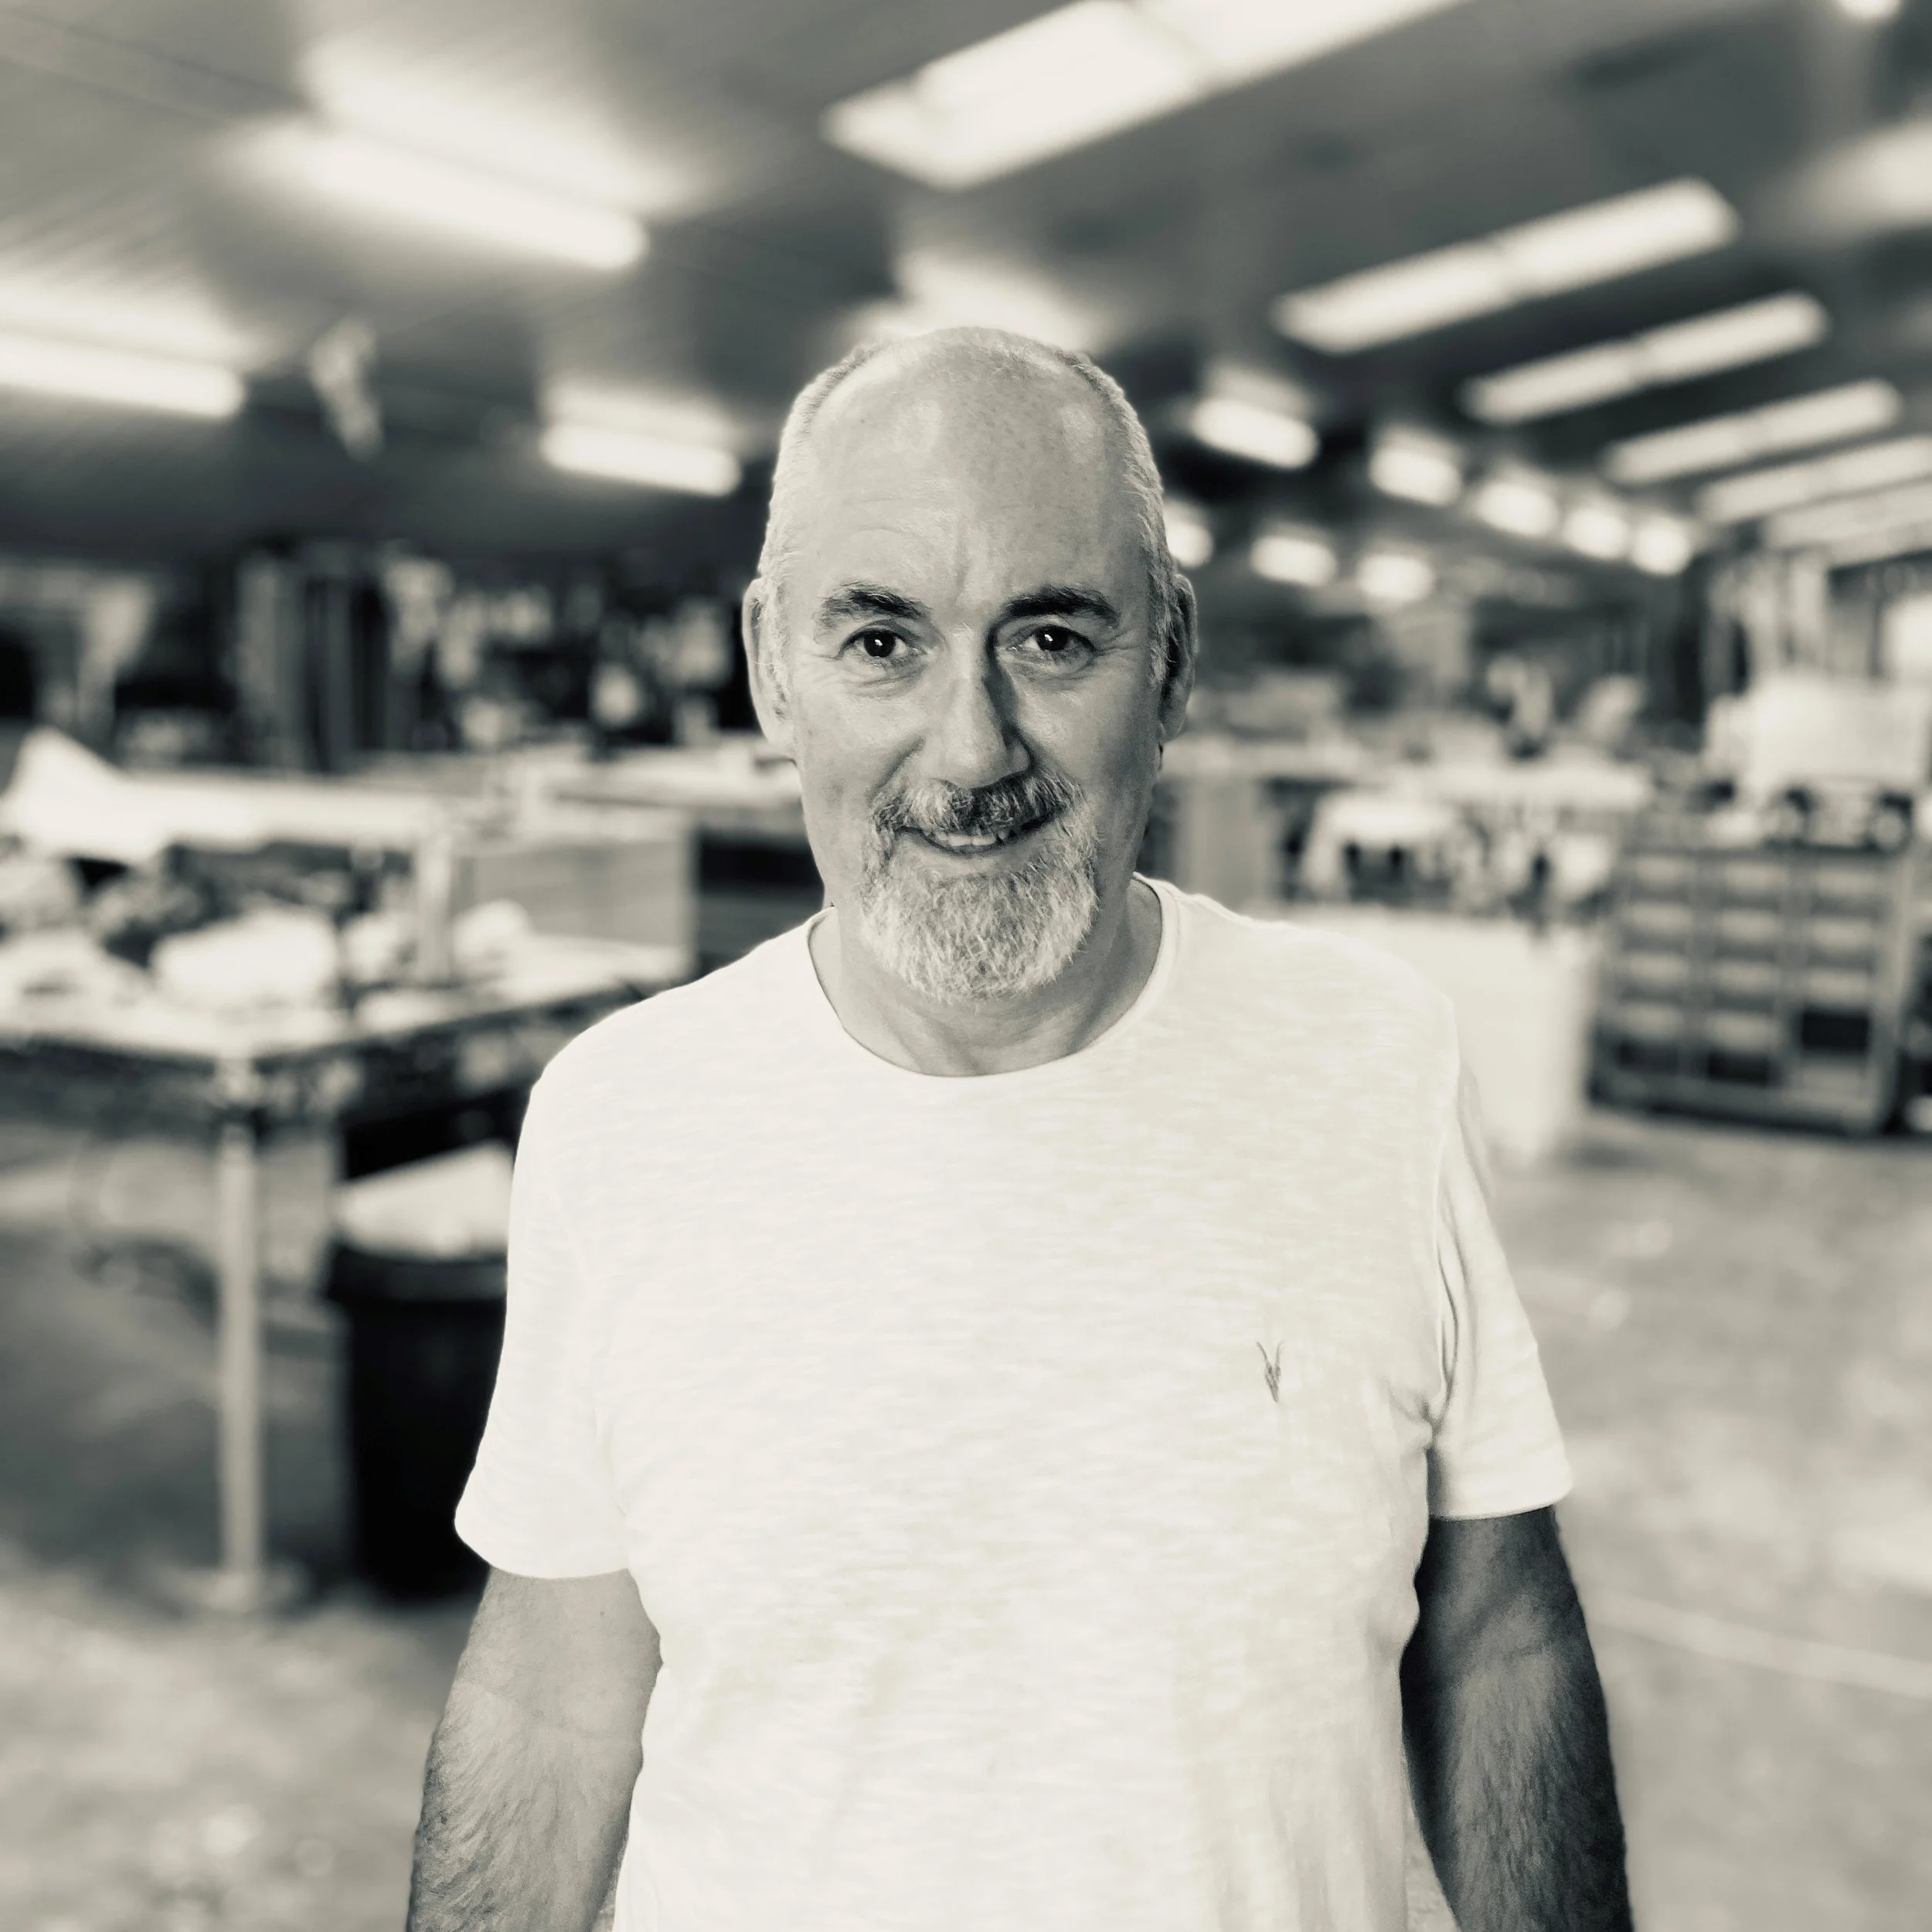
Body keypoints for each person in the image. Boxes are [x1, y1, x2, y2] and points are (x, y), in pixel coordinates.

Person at [408, 327, 1631, 1932]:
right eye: (880, 642)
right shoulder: (624, 1119)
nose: (970, 748)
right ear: (771, 663)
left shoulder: (1365, 1059)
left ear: (1169, 659)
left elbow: (1495, 1641)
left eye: (1049, 637)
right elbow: (552, 1702)